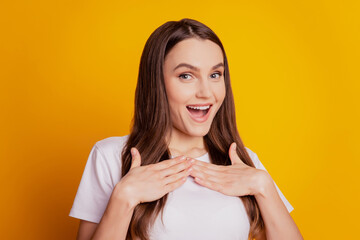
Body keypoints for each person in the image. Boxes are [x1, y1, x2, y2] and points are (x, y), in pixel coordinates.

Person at [69, 18, 303, 240]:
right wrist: (124, 197)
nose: (206, 92)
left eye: (215, 74)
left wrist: (263, 187)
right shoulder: (110, 155)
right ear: (156, 82)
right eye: (186, 75)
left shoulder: (242, 161)